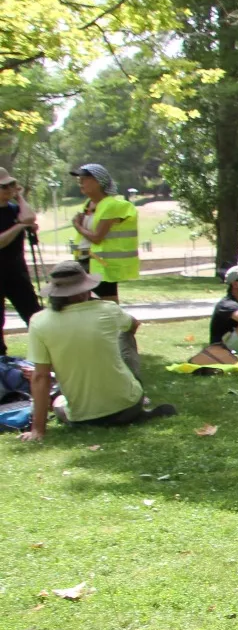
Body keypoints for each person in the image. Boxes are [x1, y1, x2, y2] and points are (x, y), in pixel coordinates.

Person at [19, 261, 176, 440]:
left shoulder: (39, 322)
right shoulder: (108, 309)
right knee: (125, 335)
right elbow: (133, 325)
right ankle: (133, 392)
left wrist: (38, 430)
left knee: (58, 402)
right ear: (85, 289)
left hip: (82, 419)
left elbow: (41, 376)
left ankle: (59, 409)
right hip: (129, 407)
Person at [68, 163, 139, 300]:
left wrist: (77, 226)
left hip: (101, 264)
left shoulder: (111, 205)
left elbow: (97, 237)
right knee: (86, 303)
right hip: (84, 261)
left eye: (84, 178)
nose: (80, 182)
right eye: (78, 179)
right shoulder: (88, 204)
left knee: (107, 303)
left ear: (98, 182)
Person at [0, 168, 42, 357]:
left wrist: (19, 197)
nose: (9, 189)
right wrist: (19, 226)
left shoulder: (14, 209)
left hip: (16, 272)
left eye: (11, 185)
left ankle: (44, 355)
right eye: (4, 186)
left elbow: (30, 217)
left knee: (34, 315)